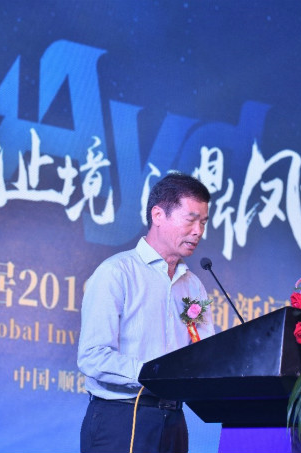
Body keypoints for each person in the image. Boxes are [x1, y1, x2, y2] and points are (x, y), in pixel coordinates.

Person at [77, 172, 216, 453]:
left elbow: (202, 353)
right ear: (158, 215)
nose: (198, 231)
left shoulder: (194, 286)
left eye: (203, 222)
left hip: (174, 419)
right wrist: (153, 375)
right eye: (190, 219)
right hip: (122, 417)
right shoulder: (116, 272)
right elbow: (92, 356)